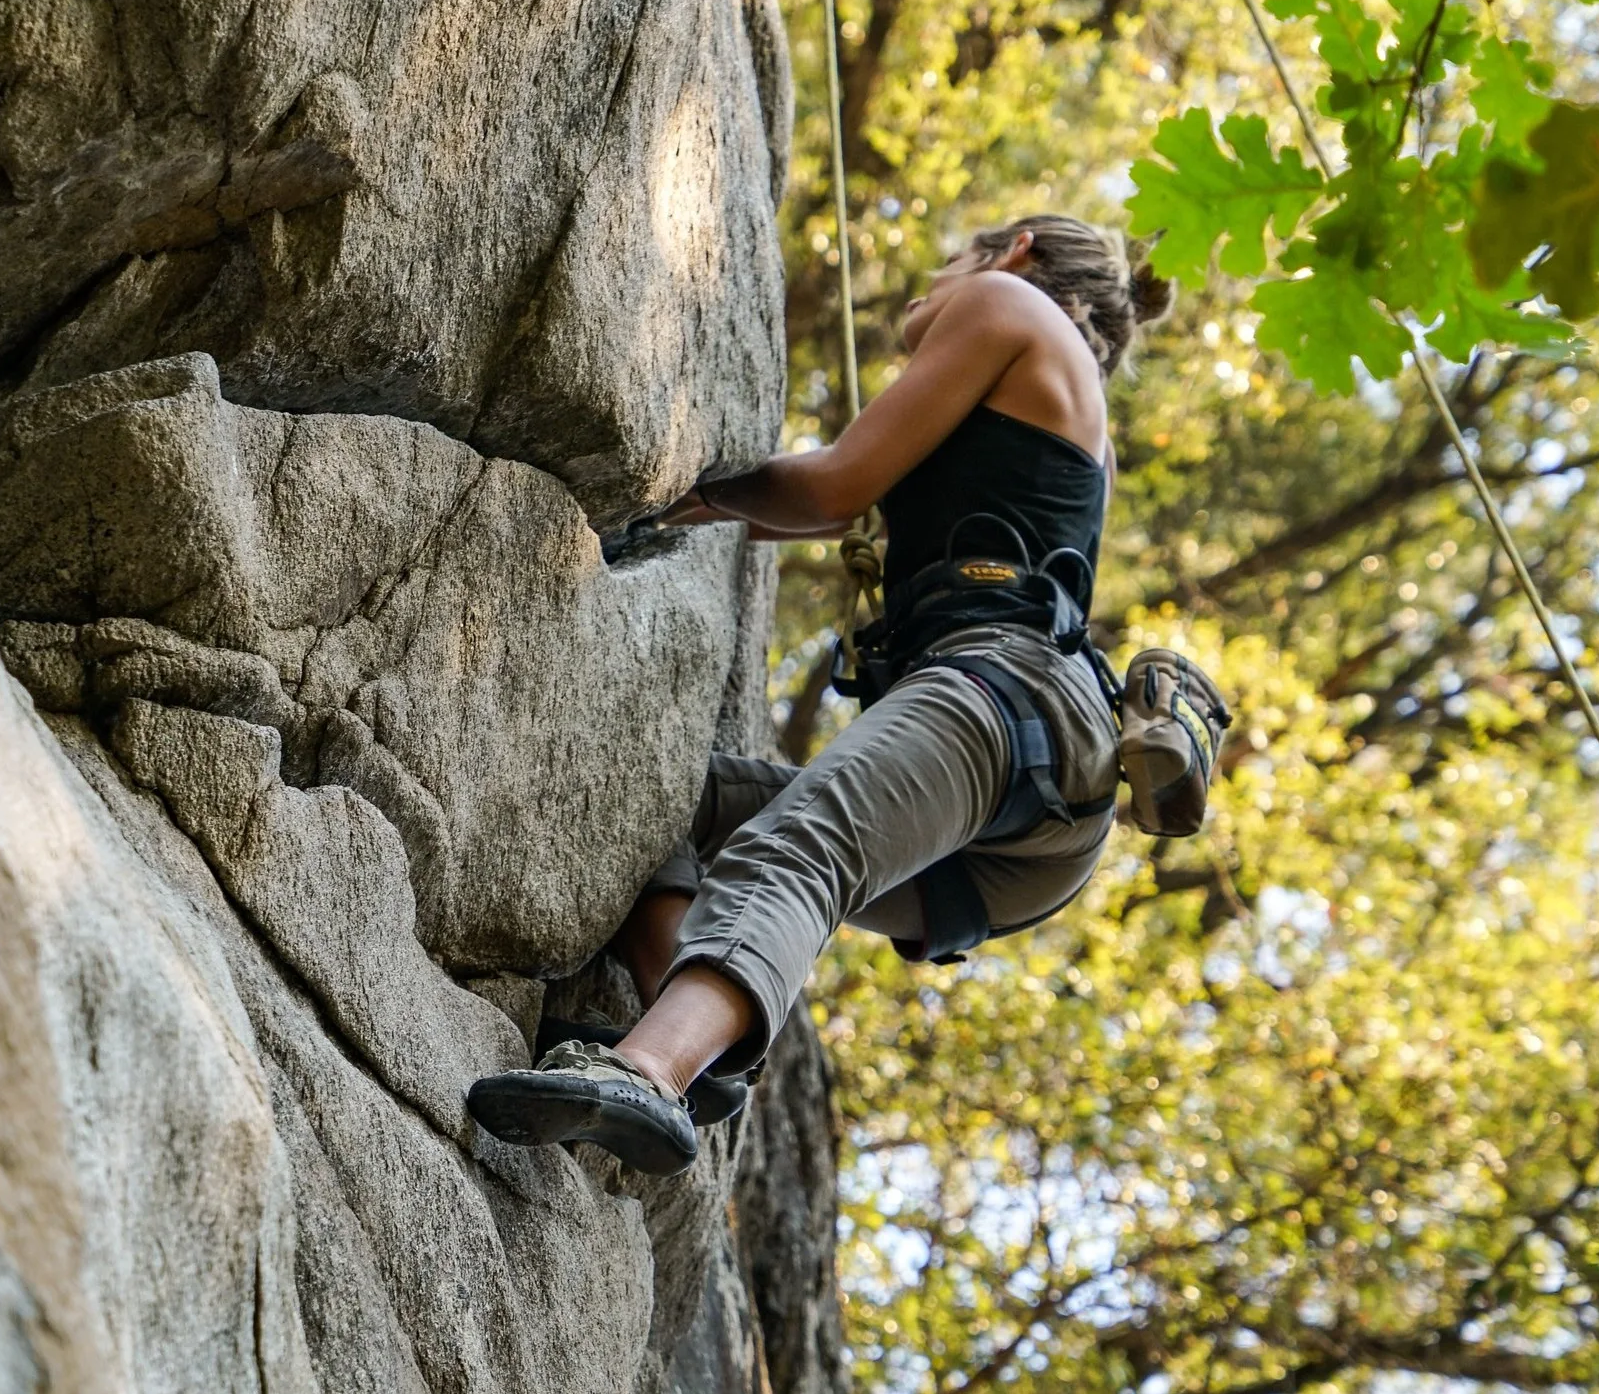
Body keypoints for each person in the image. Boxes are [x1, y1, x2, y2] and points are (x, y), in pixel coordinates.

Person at [467, 212, 1173, 1173]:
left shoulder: (1006, 304)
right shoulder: (1058, 401)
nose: (932, 282)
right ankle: (699, 1040)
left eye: (954, 256)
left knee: (803, 846)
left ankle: (647, 1076)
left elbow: (834, 490)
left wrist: (687, 493)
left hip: (1009, 702)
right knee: (657, 793)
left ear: (1015, 253)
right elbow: (819, 507)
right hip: (1027, 833)